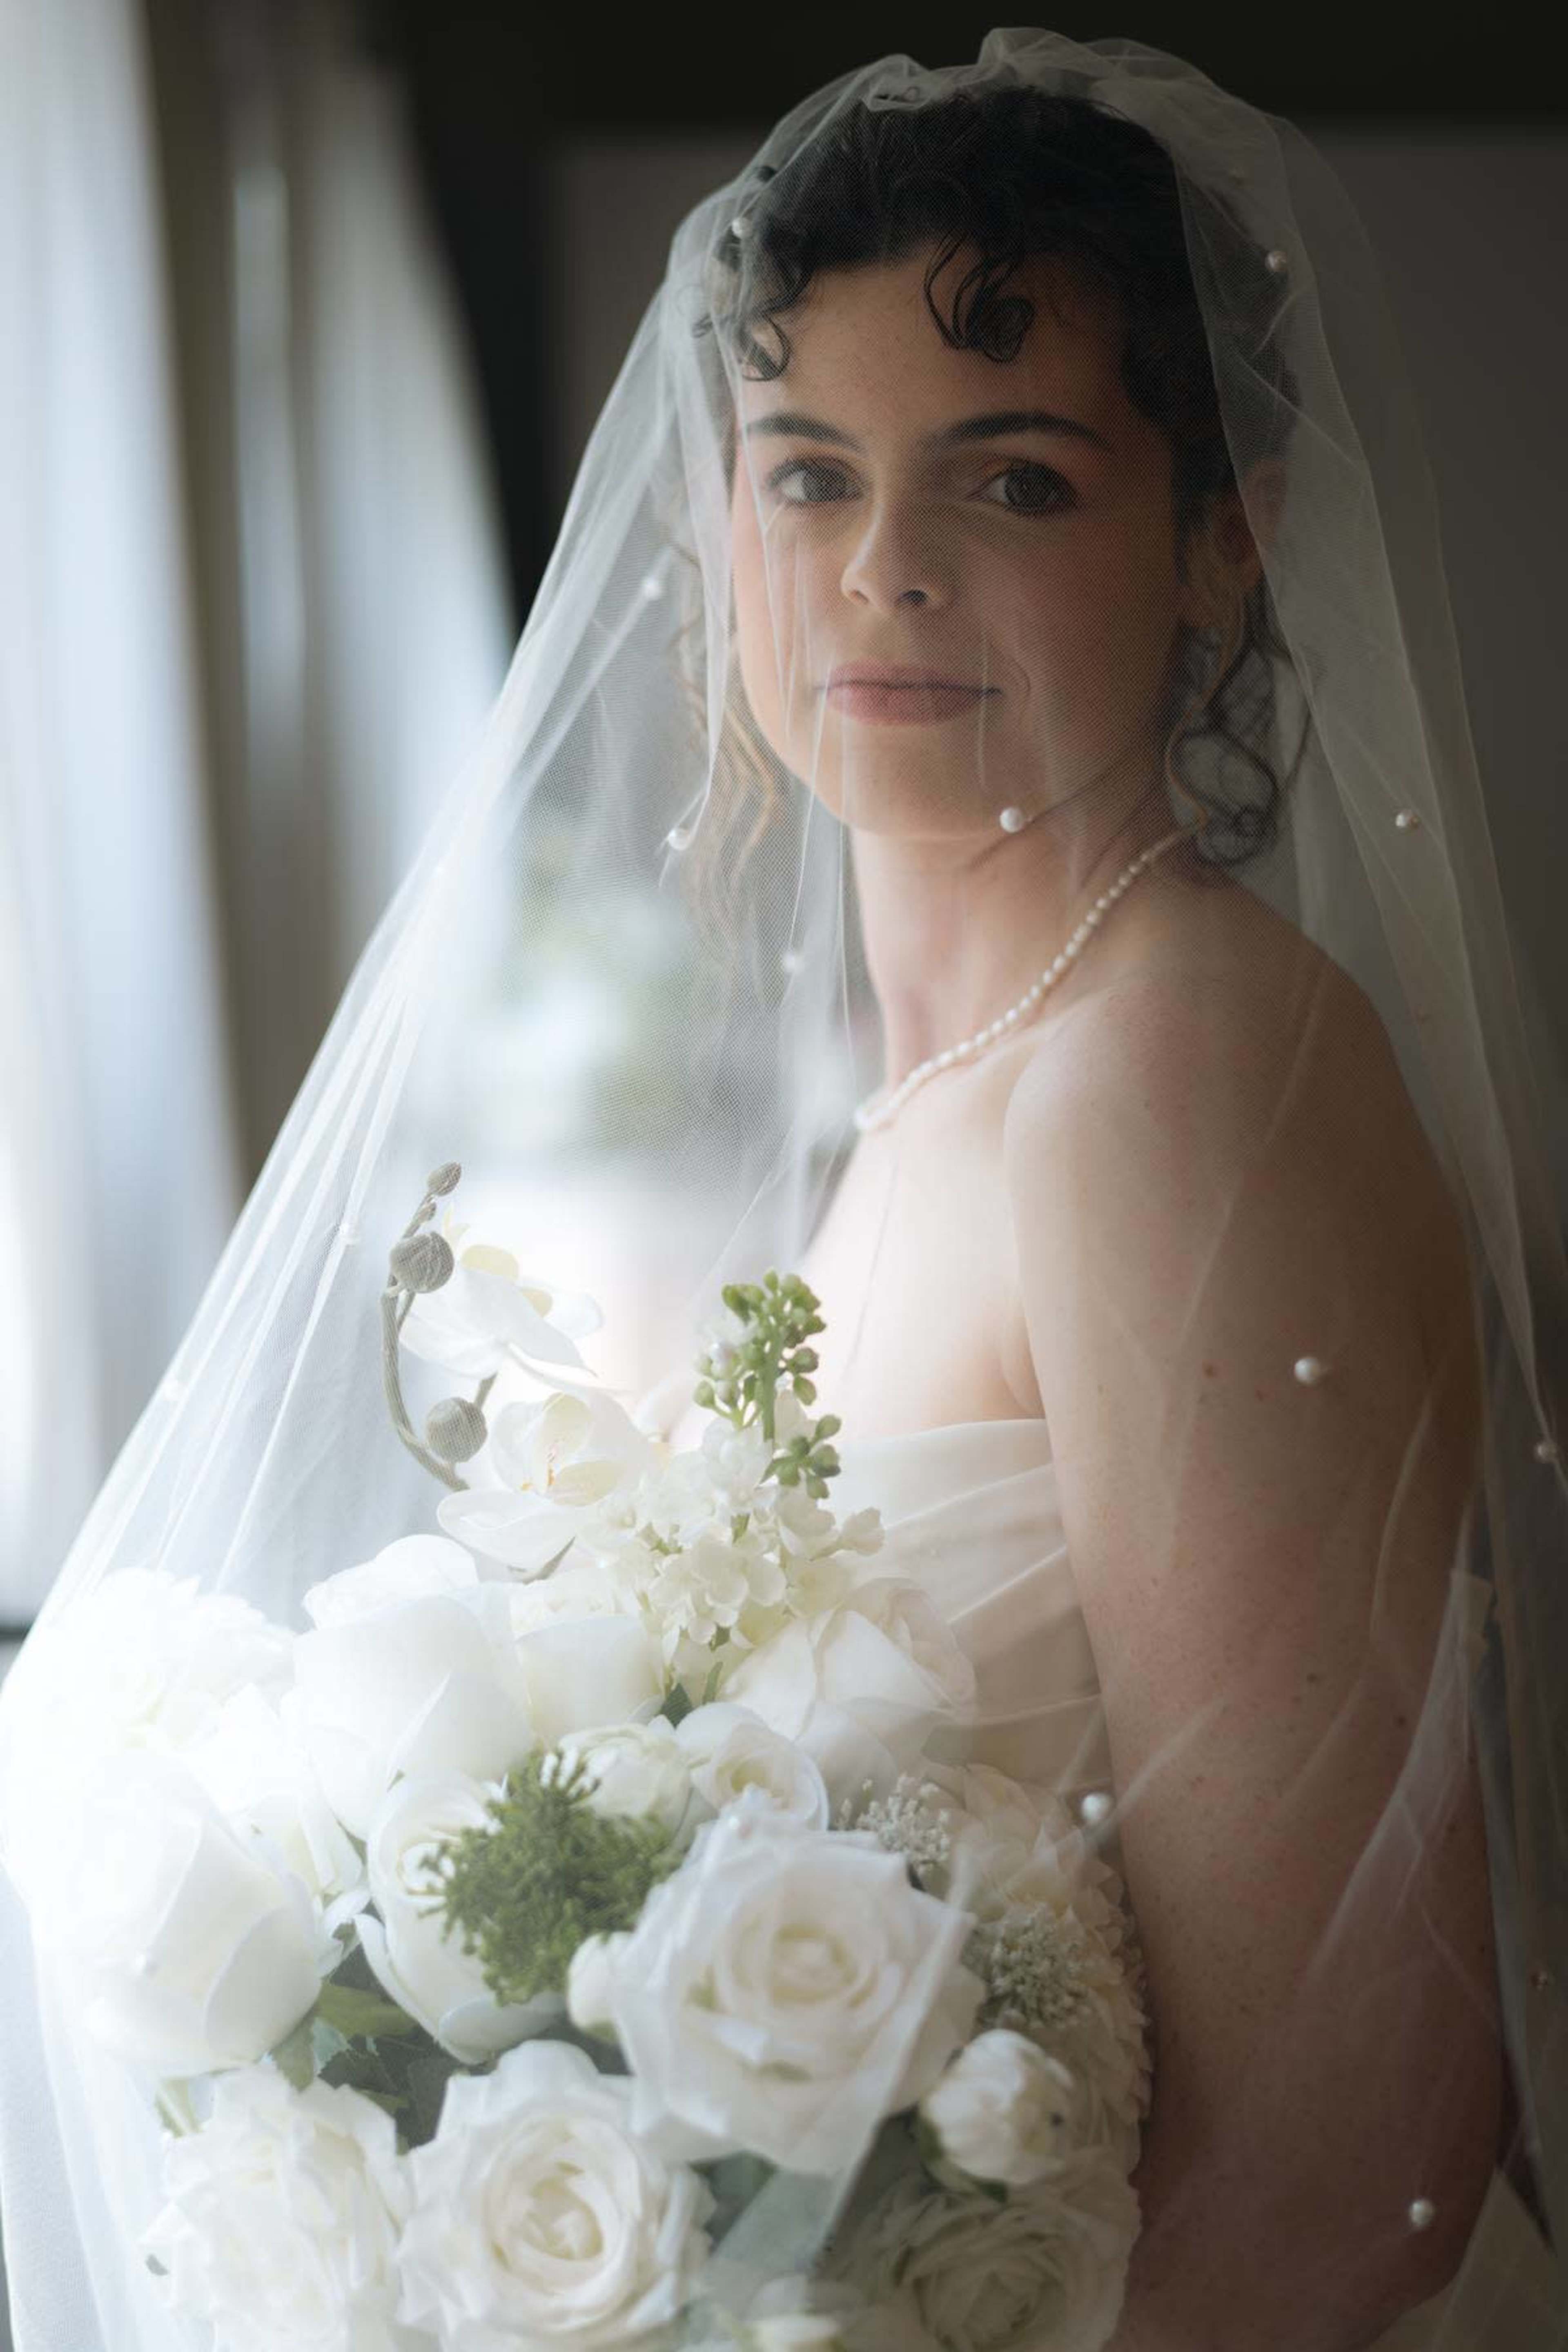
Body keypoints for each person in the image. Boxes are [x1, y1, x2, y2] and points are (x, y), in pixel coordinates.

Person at [0, 28, 1562, 2352]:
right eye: (809, 475)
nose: (887, 570)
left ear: (1221, 542)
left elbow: (1366, 2143)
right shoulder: (930, 1105)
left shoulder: (1172, 1067)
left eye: (1016, 484)